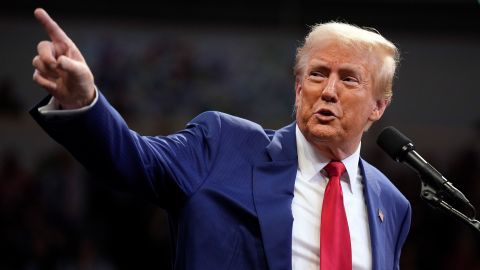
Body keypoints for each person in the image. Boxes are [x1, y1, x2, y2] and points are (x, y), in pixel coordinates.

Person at [30, 7, 411, 270]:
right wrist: (84, 102)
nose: (328, 91)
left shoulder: (391, 204)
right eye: (316, 75)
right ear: (298, 89)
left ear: (378, 106)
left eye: (347, 78)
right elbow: (133, 158)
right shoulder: (224, 146)